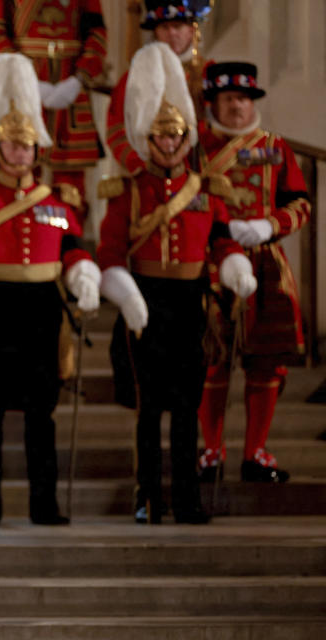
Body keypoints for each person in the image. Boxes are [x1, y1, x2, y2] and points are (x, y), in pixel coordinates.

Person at [0, 52, 100, 526]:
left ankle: (44, 502)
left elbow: (71, 248)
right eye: (13, 144)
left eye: (28, 144)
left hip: (43, 307)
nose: (21, 152)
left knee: (40, 413)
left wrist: (83, 273)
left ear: (38, 148)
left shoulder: (59, 200)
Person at [96, 42, 256, 524]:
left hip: (191, 303)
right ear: (148, 139)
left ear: (187, 137)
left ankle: (187, 499)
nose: (168, 144)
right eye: (160, 137)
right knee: (150, 411)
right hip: (145, 301)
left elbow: (222, 240)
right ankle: (148, 497)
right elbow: (108, 251)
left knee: (188, 408)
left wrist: (235, 268)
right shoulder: (128, 191)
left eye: (176, 136)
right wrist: (122, 291)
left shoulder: (206, 190)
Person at [196, 62, 311, 483]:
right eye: (229, 100)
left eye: (244, 100)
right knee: (211, 357)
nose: (239, 109)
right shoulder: (196, 148)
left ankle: (255, 452)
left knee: (267, 363)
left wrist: (270, 225)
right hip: (210, 265)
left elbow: (300, 203)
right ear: (214, 103)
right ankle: (211, 451)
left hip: (266, 265)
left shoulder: (276, 147)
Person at [0, 0, 107, 217]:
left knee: (72, 179)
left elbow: (96, 31)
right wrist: (25, 80)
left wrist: (80, 77)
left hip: (70, 80)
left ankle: (70, 242)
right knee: (19, 166)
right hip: (21, 86)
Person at [107, 0, 213, 176]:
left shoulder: (208, 74)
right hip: (149, 177)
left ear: (191, 30)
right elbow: (116, 130)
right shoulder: (133, 78)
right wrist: (141, 164)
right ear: (155, 32)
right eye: (165, 27)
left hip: (199, 173)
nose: (172, 33)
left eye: (178, 26)